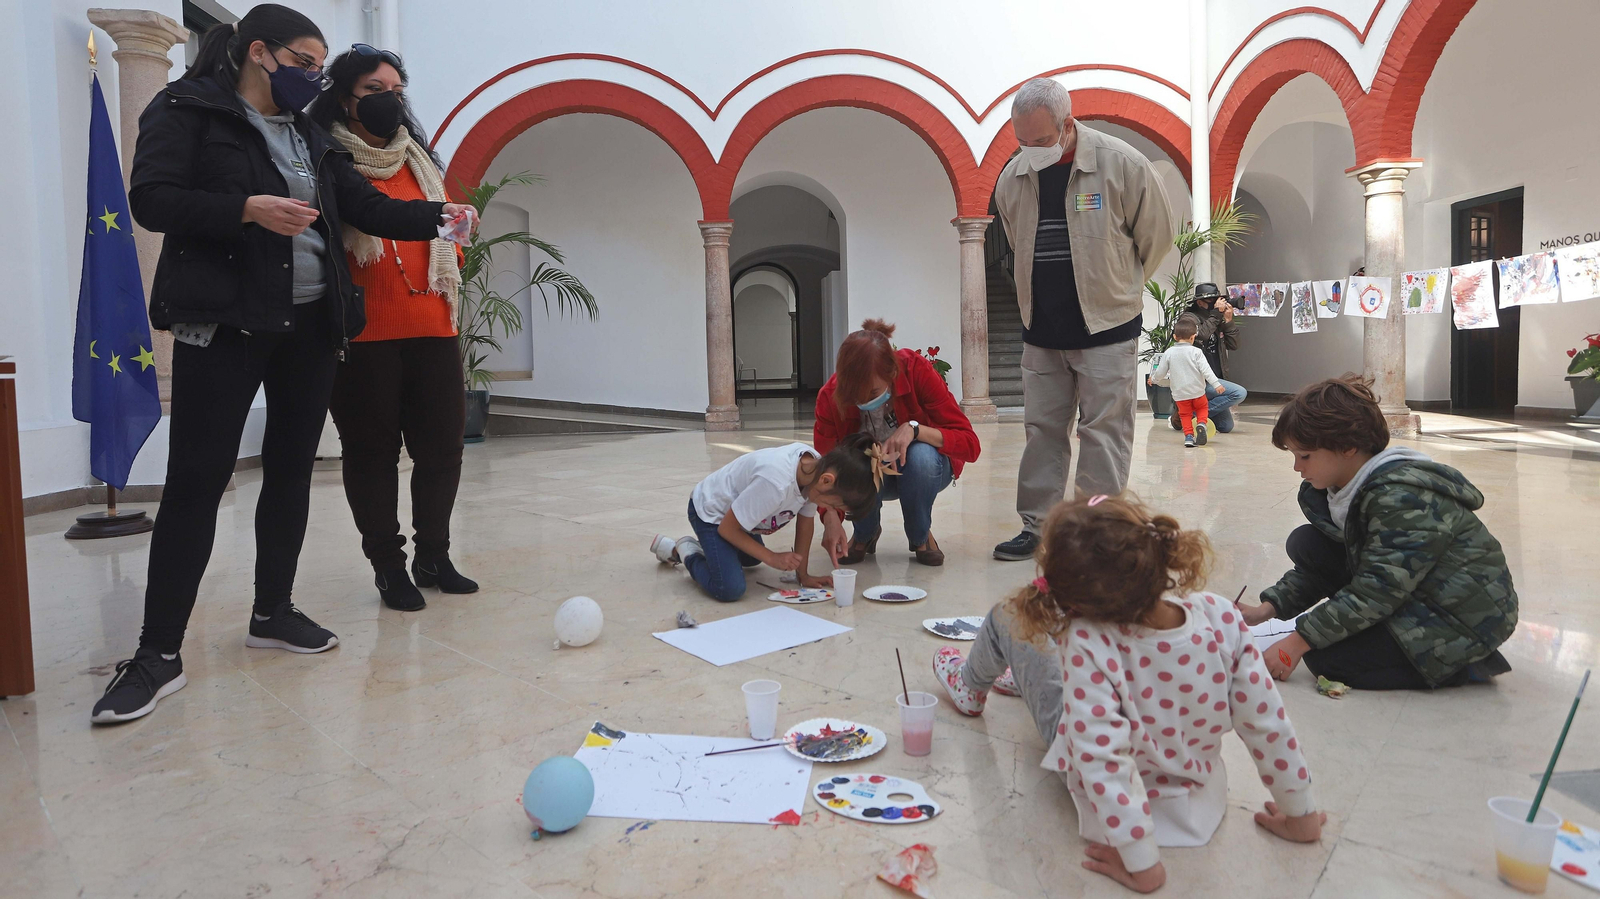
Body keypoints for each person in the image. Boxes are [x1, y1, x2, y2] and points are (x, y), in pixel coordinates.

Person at [92, 4, 479, 724]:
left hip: (308, 327)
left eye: (318, 65)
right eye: (304, 61)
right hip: (228, 320)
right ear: (258, 53)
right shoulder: (191, 108)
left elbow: (361, 206)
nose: (312, 76)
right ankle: (157, 652)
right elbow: (150, 198)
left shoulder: (310, 134)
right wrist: (245, 208)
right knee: (197, 482)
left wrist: (440, 217)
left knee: (292, 471)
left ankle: (273, 609)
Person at [932, 495, 1323, 893]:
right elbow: (1266, 722)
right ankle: (1025, 678)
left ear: (1076, 605)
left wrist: (1142, 861)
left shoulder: (1089, 641)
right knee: (1061, 666)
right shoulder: (1219, 614)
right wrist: (1300, 812)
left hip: (1116, 806)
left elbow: (1102, 758)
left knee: (1007, 615)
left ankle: (969, 687)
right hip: (1198, 796)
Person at [307, 46, 474, 611]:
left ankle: (435, 554)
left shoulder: (417, 158)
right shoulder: (325, 154)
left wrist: (458, 223)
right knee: (372, 455)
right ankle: (388, 565)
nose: (390, 100)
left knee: (442, 450)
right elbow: (369, 216)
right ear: (345, 97)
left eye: (397, 89)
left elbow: (442, 231)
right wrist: (439, 217)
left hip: (432, 323)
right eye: (375, 90)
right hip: (363, 334)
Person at [991, 77, 1176, 561]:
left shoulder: (1122, 164)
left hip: (1106, 330)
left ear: (1067, 125)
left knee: (1103, 432)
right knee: (1042, 431)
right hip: (1041, 331)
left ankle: (1095, 532)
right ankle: (1038, 527)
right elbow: (1015, 241)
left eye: (1040, 141)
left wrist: (1114, 288)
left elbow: (1156, 237)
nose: (1030, 151)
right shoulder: (1013, 178)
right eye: (1022, 142)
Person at [1243, 376, 1517, 689]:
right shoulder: (1339, 490)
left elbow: (1378, 589)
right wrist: (1267, 609)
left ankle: (1469, 661)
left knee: (1326, 661)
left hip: (1462, 618)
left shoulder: (1400, 499)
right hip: (1413, 594)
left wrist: (1297, 641)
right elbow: (1332, 568)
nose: (1297, 468)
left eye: (1304, 456)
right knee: (1307, 542)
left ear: (1347, 447)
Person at [812, 320, 981, 567]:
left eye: (870, 393)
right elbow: (826, 467)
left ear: (891, 374)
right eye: (854, 395)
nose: (860, 400)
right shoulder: (831, 395)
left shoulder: (916, 370)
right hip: (870, 478)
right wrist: (830, 517)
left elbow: (970, 445)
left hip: (923, 471)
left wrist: (915, 430)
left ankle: (921, 536)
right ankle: (864, 535)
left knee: (921, 455)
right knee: (856, 459)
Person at [649, 433, 886, 602]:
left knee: (751, 561)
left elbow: (805, 524)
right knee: (730, 588)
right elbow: (728, 530)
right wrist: (772, 557)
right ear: (827, 481)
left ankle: (713, 551)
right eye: (832, 504)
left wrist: (802, 575)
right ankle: (686, 550)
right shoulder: (776, 482)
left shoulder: (815, 469)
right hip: (711, 514)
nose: (828, 508)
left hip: (741, 520)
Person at [1172, 282, 1248, 433]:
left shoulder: (1217, 318)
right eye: (1212, 302)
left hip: (1215, 379)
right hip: (1197, 381)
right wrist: (1216, 314)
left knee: (1226, 427)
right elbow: (1202, 335)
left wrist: (1228, 322)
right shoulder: (1188, 319)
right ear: (1200, 302)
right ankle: (1189, 415)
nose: (1216, 304)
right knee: (1239, 393)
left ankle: (1190, 413)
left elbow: (1234, 346)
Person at [1149, 315, 1225, 447]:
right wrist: (1216, 384)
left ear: (1174, 337)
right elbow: (1206, 371)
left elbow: (1161, 372)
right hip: (1197, 392)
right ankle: (1201, 423)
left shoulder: (1169, 352)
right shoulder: (1196, 352)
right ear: (1193, 337)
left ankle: (1189, 437)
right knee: (1202, 407)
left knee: (1185, 415)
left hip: (1180, 394)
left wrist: (1153, 379)